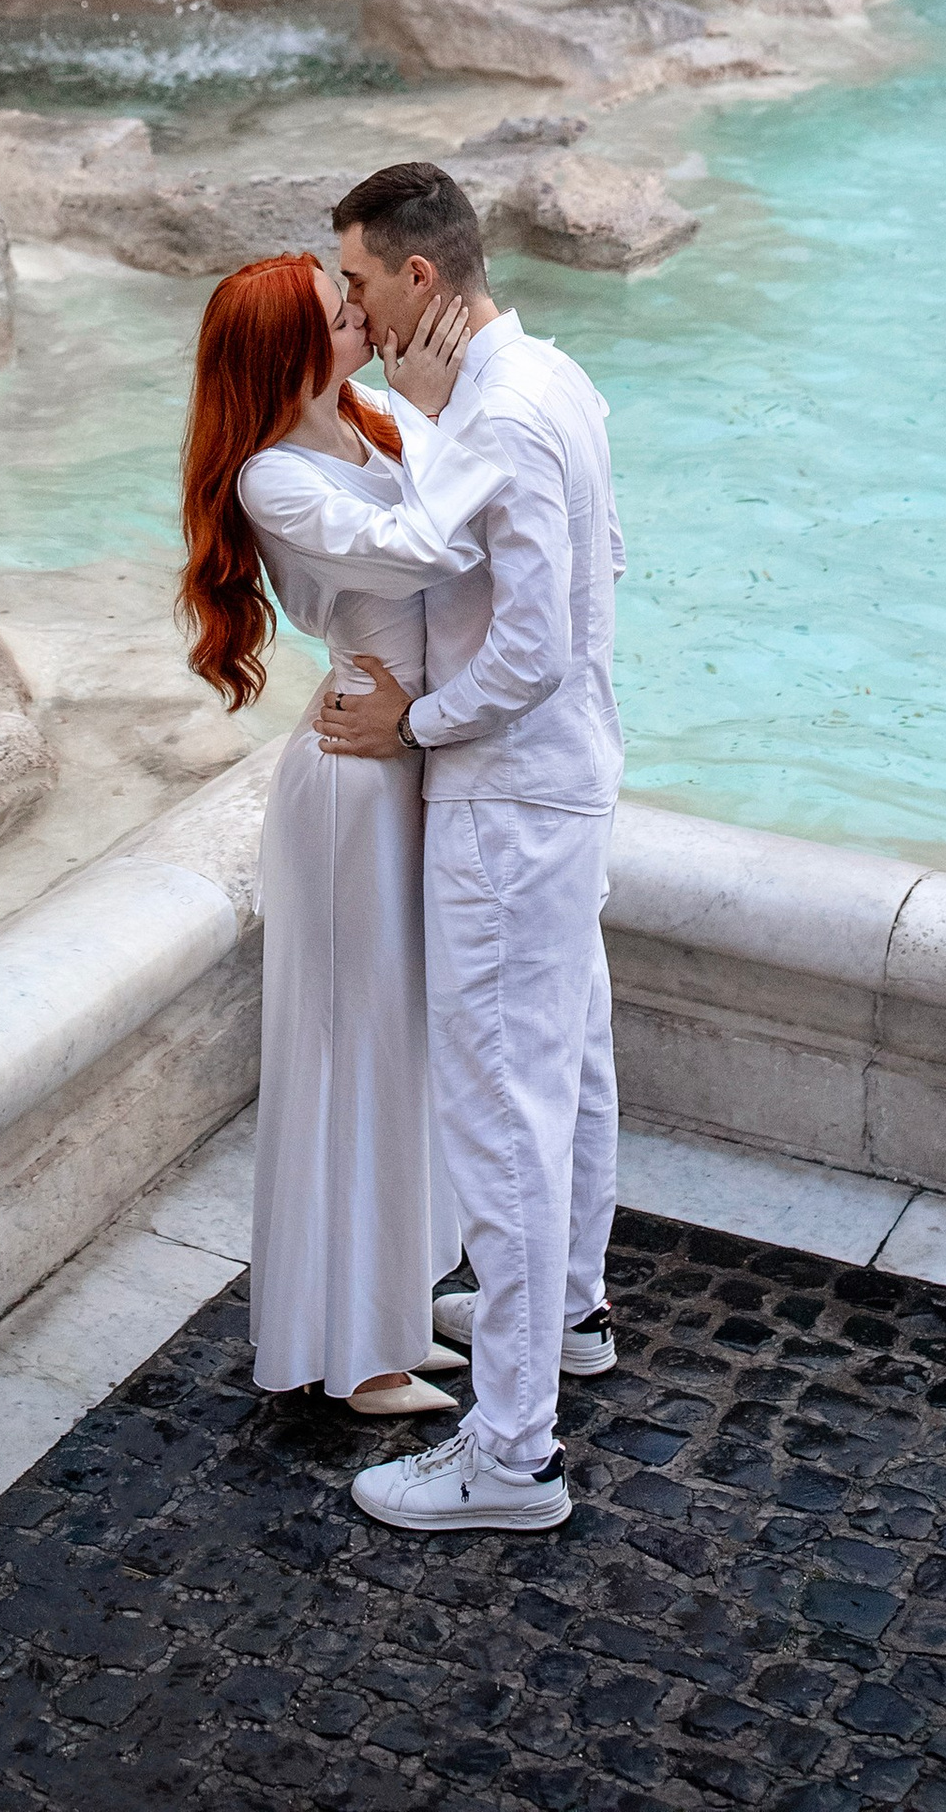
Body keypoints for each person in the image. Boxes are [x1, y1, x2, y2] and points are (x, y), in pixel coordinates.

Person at [314, 161, 623, 1536]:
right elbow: (598, 565)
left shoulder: (497, 417)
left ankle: (511, 1457)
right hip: (572, 790)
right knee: (573, 1067)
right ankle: (565, 1315)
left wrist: (417, 724)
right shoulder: (551, 378)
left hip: (506, 804)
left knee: (503, 1111)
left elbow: (535, 647)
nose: (353, 308)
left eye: (362, 283)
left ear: (419, 278)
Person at [179, 253, 508, 1418]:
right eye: (338, 311)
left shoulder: (366, 422)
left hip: (404, 755)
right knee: (344, 1048)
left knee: (402, 1043)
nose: (362, 313)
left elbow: (457, 541)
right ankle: (350, 1351)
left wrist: (424, 420)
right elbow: (425, 552)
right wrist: (440, 416)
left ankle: (393, 1299)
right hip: (351, 787)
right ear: (293, 349)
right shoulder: (274, 476)